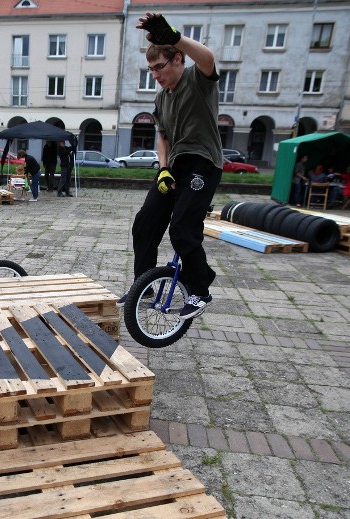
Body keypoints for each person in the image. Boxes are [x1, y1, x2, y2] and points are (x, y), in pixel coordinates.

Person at [123, 12, 223, 320]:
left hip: (203, 162)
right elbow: (163, 136)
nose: (155, 74)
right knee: (144, 223)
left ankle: (199, 290)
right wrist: (163, 168)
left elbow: (207, 57)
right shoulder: (160, 97)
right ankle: (145, 287)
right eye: (151, 69)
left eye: (159, 67)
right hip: (175, 165)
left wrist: (173, 35)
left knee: (182, 228)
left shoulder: (197, 79)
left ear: (177, 59)